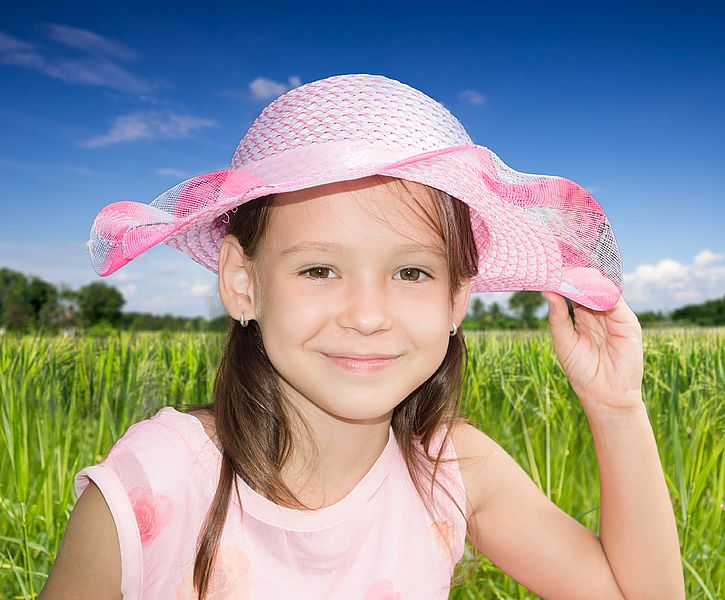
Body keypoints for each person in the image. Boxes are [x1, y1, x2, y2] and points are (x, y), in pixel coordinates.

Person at [40, 73, 684, 599]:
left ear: (457, 297)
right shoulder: (154, 484)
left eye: (412, 272)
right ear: (243, 282)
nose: (368, 315)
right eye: (319, 270)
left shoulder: (452, 468)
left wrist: (616, 407)